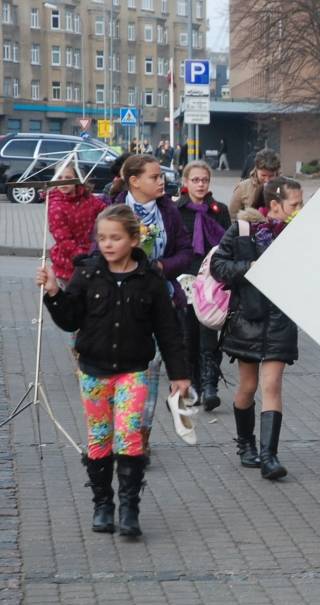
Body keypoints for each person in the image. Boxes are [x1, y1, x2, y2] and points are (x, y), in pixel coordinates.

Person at [37, 204, 190, 537]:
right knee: (99, 438)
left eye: (115, 238)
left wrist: (180, 374)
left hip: (134, 371)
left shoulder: (149, 279)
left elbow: (167, 330)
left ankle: (130, 509)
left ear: (134, 239)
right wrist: (53, 293)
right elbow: (69, 320)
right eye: (102, 238)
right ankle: (103, 505)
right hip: (93, 371)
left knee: (130, 434)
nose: (107, 244)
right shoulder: (87, 273)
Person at [211, 177, 303, 481]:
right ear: (275, 205)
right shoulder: (243, 230)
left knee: (272, 385)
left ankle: (269, 456)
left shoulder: (300, 235)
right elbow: (218, 266)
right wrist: (247, 268)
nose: (300, 210)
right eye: (295, 204)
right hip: (247, 320)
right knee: (248, 387)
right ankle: (246, 444)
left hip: (280, 321)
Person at [113, 154, 192, 459]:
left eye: (161, 176)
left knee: (150, 373)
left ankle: (139, 438)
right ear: (134, 181)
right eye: (154, 177)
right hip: (123, 308)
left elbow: (186, 251)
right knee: (127, 375)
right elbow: (97, 252)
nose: (162, 181)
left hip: (162, 301)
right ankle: (121, 432)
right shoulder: (116, 211)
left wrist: (162, 265)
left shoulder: (168, 211)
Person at [176, 160, 231, 411]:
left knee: (209, 332)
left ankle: (210, 385)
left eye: (204, 180)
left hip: (211, 281)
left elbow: (228, 245)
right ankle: (193, 384)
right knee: (188, 335)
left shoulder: (219, 210)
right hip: (186, 280)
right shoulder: (176, 211)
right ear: (185, 183)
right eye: (195, 180)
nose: (200, 184)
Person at [47, 160, 107, 287]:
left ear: (77, 179)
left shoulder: (87, 198)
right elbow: (64, 239)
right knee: (73, 301)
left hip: (91, 254)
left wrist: (122, 214)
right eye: (59, 178)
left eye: (68, 178)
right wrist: (82, 257)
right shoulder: (55, 206)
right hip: (70, 261)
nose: (63, 181)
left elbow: (105, 210)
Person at [229, 148, 281, 219]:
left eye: (271, 176)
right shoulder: (243, 187)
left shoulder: (285, 187)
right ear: (256, 170)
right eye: (263, 175)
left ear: (277, 172)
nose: (267, 180)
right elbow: (232, 216)